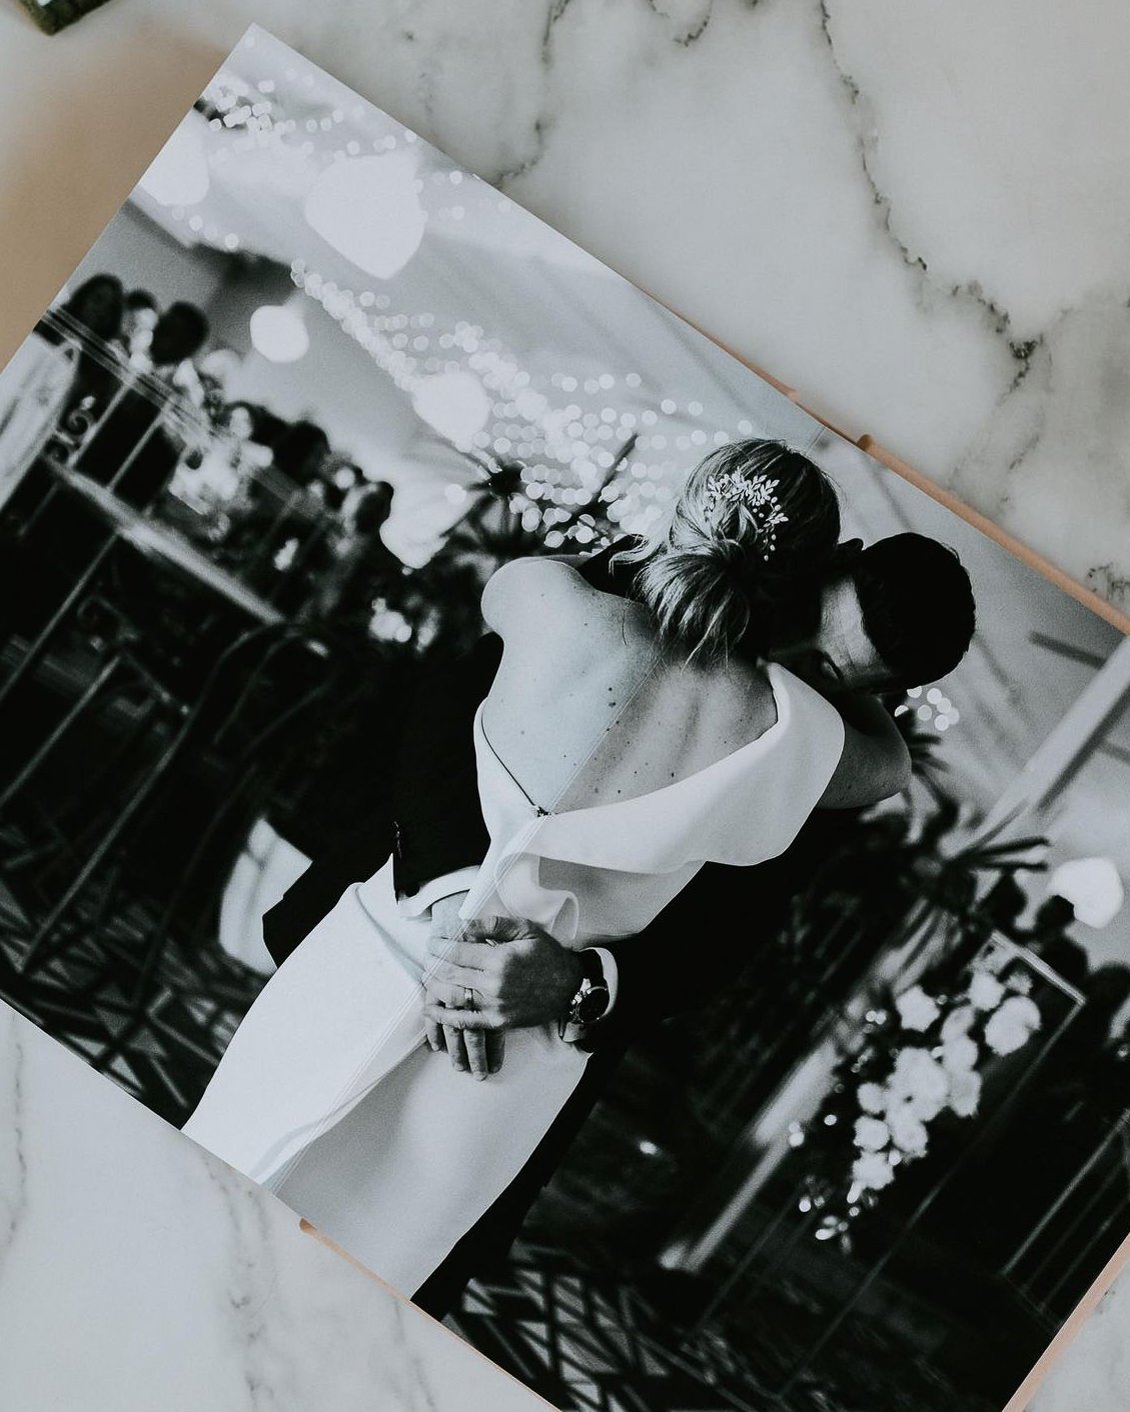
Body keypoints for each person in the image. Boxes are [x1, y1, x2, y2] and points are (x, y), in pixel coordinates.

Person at [182, 440, 974, 1301]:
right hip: (426, 958)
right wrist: (456, 896)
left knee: (253, 1225)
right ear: (823, 565)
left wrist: (577, 985)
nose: (812, 678)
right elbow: (435, 720)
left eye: (836, 678)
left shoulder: (560, 600)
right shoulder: (812, 749)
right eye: (819, 650)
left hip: (518, 1029)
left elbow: (723, 942)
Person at [0, 276, 124, 511]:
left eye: (109, 309)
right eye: (97, 300)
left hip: (46, 442)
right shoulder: (47, 323)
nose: (100, 311)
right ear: (84, 296)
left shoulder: (100, 363)